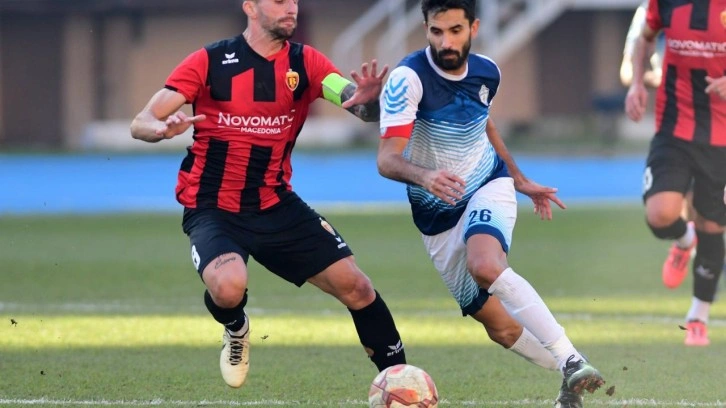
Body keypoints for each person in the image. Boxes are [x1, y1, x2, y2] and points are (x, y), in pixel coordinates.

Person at [130, 0, 407, 388]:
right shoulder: (209, 61)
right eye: (279, 1)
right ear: (250, 6)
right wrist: (159, 130)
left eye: (293, 0)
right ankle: (236, 327)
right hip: (213, 207)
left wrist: (373, 102)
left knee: (358, 287)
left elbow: (355, 104)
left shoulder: (306, 63)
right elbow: (141, 122)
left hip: (275, 203)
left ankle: (401, 383)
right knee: (229, 288)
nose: (291, 7)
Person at [376, 1, 605, 407]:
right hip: (436, 216)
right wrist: (426, 177)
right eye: (436, 31)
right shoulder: (408, 78)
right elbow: (386, 160)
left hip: (487, 183)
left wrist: (518, 179)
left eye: (455, 30)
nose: (446, 42)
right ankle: (569, 372)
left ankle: (570, 359)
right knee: (500, 328)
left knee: (484, 265)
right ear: (425, 28)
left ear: (474, 27)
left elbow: (485, 123)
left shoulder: (487, 72)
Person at [625, 0, 726, 346]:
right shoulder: (665, 2)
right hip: (674, 128)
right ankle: (684, 240)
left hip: (721, 138)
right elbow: (645, 38)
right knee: (660, 215)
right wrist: (637, 84)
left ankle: (698, 316)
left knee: (713, 225)